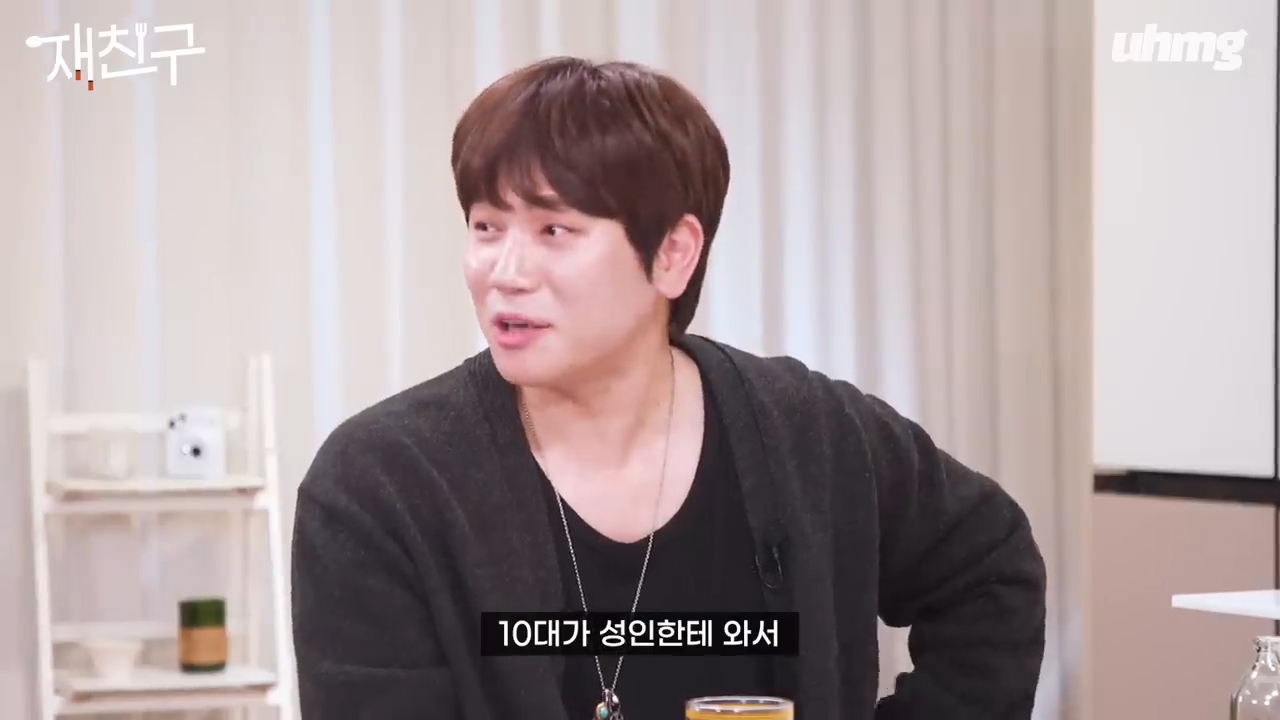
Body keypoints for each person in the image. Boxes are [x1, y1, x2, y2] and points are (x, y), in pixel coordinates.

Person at [290, 56, 1047, 719]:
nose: (505, 272)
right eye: (487, 227)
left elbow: (992, 569)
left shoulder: (810, 434)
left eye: (554, 231)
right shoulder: (381, 486)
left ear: (674, 253)